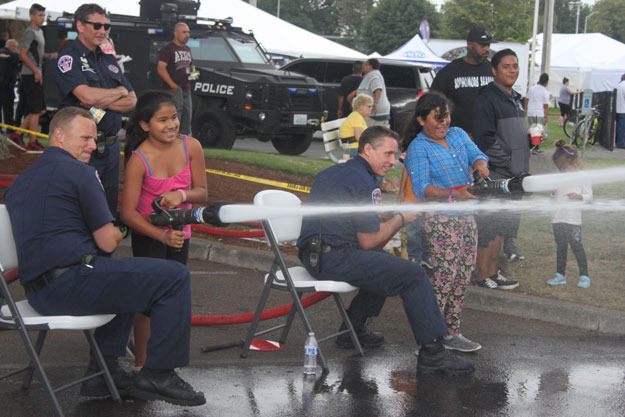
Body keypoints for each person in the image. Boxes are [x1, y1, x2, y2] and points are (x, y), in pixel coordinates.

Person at [4, 107, 205, 406]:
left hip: (37, 293)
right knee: (174, 277)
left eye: (94, 139)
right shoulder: (80, 173)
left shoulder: (20, 183)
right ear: (59, 135)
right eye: (85, 138)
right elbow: (107, 241)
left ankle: (103, 373)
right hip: (69, 285)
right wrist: (123, 229)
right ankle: (159, 373)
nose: (92, 146)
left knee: (124, 276)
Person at [297, 125, 475, 376]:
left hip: (316, 254)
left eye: (395, 155)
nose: (393, 161)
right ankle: (433, 354)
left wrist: (389, 215)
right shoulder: (364, 181)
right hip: (332, 257)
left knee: (385, 265)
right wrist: (401, 218)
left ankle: (352, 330)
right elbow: (369, 241)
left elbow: (348, 223)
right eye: (388, 154)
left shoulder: (339, 173)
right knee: (413, 275)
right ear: (368, 150)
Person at [120, 91, 207, 372]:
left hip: (180, 232)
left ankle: (166, 364)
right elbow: (128, 213)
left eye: (174, 117)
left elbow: (202, 192)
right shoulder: (139, 159)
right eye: (162, 120)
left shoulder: (191, 146)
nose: (171, 125)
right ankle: (142, 365)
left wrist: (181, 194)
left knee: (174, 298)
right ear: (145, 125)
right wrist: (161, 236)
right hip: (149, 234)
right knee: (148, 302)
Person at [404, 92, 488, 352]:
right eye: (437, 118)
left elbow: (478, 155)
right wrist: (453, 194)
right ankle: (430, 336)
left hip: (466, 217)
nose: (444, 123)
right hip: (441, 220)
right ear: (421, 120)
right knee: (443, 277)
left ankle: (452, 332)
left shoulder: (458, 134)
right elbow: (421, 188)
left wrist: (480, 166)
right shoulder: (419, 148)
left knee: (462, 275)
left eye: (446, 116)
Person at [54, 3, 137, 215]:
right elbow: (86, 96)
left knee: (107, 207)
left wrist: (101, 99)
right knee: (79, 205)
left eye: (106, 26)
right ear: (80, 26)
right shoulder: (69, 57)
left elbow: (132, 100)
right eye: (97, 25)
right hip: (82, 148)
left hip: (110, 146)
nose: (103, 31)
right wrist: (117, 92)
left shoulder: (108, 59)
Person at [472, 48, 528, 290]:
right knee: (490, 227)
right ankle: (482, 275)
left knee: (503, 227)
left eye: (515, 66)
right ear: (494, 71)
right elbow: (485, 140)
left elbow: (513, 136)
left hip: (516, 175)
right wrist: (509, 163)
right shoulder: (487, 98)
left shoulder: (515, 99)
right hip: (496, 175)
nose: (512, 70)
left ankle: (494, 273)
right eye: (506, 66)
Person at [9, 4, 57, 151]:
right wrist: (35, 70)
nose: (42, 18)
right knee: (36, 110)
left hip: (37, 73)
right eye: (39, 15)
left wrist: (49, 56)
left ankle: (17, 134)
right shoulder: (29, 32)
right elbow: (23, 54)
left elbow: (36, 54)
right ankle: (32, 141)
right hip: (30, 75)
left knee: (40, 110)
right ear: (31, 16)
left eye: (43, 15)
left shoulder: (39, 31)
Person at [430, 27, 495, 135]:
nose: (487, 49)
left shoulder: (493, 70)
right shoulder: (450, 71)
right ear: (470, 45)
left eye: (488, 45)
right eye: (483, 45)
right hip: (456, 137)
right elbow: (432, 102)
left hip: (488, 137)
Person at [545, 140, 592, 288]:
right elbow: (554, 197)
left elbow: (589, 196)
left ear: (573, 162)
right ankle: (560, 275)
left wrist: (579, 197)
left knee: (577, 246)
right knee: (561, 246)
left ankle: (584, 276)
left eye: (565, 167)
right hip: (558, 218)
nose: (563, 170)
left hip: (573, 219)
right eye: (561, 168)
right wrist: (553, 192)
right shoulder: (560, 176)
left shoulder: (583, 176)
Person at [157, 22, 193, 135]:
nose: (187, 35)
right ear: (176, 33)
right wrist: (172, 85)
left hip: (186, 89)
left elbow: (191, 66)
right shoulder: (168, 49)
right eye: (184, 32)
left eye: (188, 32)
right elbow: (161, 68)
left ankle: (184, 141)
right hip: (172, 90)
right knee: (176, 117)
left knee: (187, 116)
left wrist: (193, 76)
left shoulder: (187, 49)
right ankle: (172, 140)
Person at [351, 58, 390, 127]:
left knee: (371, 132)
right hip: (370, 111)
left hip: (374, 113)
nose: (363, 66)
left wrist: (374, 105)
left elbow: (378, 90)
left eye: (365, 64)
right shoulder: (369, 75)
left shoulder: (374, 75)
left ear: (370, 66)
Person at [338, 93, 372, 160]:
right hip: (351, 149)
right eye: (369, 106)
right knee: (377, 152)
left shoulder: (357, 116)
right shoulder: (356, 117)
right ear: (360, 106)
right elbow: (358, 137)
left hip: (353, 148)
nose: (371, 109)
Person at [525, 73, 550, 155]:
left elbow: (526, 99)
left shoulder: (532, 88)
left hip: (530, 112)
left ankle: (532, 147)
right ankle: (534, 148)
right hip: (539, 113)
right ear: (546, 82)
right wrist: (546, 117)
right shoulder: (545, 91)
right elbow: (545, 106)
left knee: (532, 130)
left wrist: (526, 109)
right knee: (538, 131)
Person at [0, 39, 19, 130]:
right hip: (7, 86)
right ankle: (9, 129)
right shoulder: (14, 56)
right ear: (12, 46)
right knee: (8, 109)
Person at [615, 74, 625, 149]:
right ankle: (621, 143)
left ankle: (618, 141)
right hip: (623, 110)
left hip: (617, 109)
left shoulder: (618, 85)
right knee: (622, 127)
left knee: (619, 127)